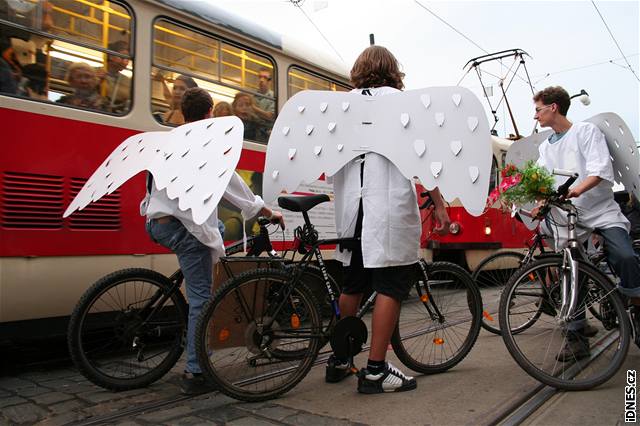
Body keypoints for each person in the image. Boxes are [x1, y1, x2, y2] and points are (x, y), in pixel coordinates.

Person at [141, 87, 285, 395]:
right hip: (181, 231)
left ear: (184, 112)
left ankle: (200, 265)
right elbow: (234, 190)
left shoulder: (172, 140)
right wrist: (267, 211)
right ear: (209, 115)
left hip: (156, 222)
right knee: (201, 300)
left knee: (216, 228)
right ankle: (195, 373)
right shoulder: (203, 147)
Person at [326, 45, 451, 394]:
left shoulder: (342, 106)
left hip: (353, 209)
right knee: (391, 285)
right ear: (392, 71)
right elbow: (423, 159)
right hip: (387, 208)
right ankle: (376, 370)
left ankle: (339, 360)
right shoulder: (402, 105)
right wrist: (438, 204)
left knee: (352, 284)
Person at [531, 85, 640, 358]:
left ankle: (637, 307)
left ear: (553, 107)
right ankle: (576, 336)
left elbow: (600, 170)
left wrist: (579, 188)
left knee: (625, 256)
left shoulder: (586, 132)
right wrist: (541, 202)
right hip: (568, 217)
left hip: (600, 209)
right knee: (572, 272)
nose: (536, 116)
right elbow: (545, 182)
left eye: (538, 109)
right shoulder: (546, 147)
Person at [96, 40, 131, 114]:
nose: (126, 62)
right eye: (123, 57)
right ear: (111, 56)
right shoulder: (94, 72)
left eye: (127, 59)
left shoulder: (128, 81)